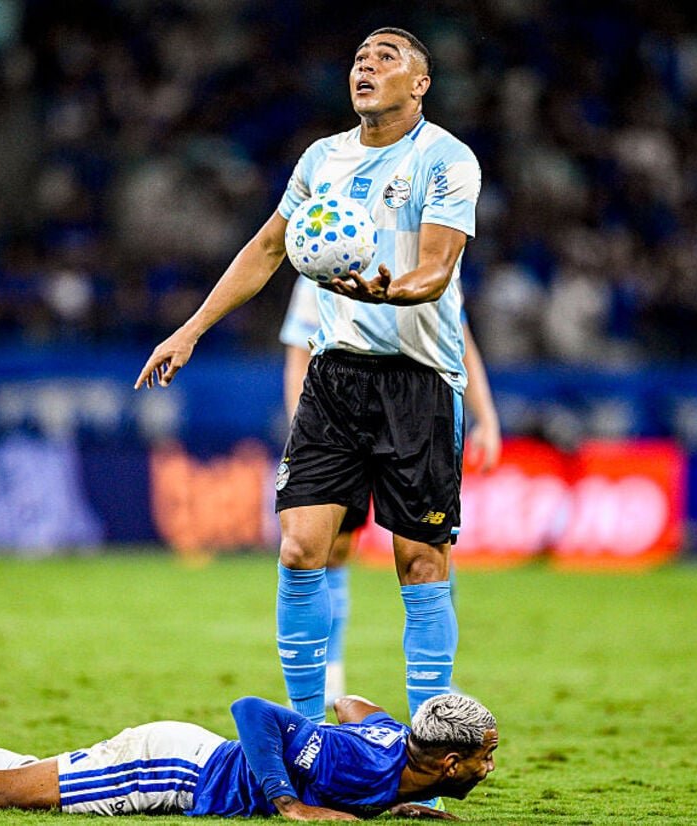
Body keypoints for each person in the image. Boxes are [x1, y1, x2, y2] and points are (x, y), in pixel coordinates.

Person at [135, 26, 481, 732]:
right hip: (336, 376)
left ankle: (430, 751)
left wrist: (390, 291)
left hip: (419, 381)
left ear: (420, 84)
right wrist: (191, 329)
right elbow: (267, 249)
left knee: (420, 563)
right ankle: (302, 736)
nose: (366, 66)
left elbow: (437, 267)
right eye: (359, 58)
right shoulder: (323, 159)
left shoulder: (447, 159)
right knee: (299, 549)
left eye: (386, 58)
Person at [0, 692, 498, 820]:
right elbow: (254, 713)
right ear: (449, 761)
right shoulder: (361, 764)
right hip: (174, 771)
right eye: (484, 757)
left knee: (25, 771)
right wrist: (288, 801)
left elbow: (358, 707)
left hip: (181, 759)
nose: (490, 769)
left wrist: (395, 806)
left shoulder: (393, 747)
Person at [278, 276, 502, 704]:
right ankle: (329, 674)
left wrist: (486, 416)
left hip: (418, 402)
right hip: (338, 413)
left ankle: (436, 686)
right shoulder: (321, 257)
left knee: (427, 549)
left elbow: (459, 335)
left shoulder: (424, 256)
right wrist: (302, 434)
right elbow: (297, 354)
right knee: (328, 548)